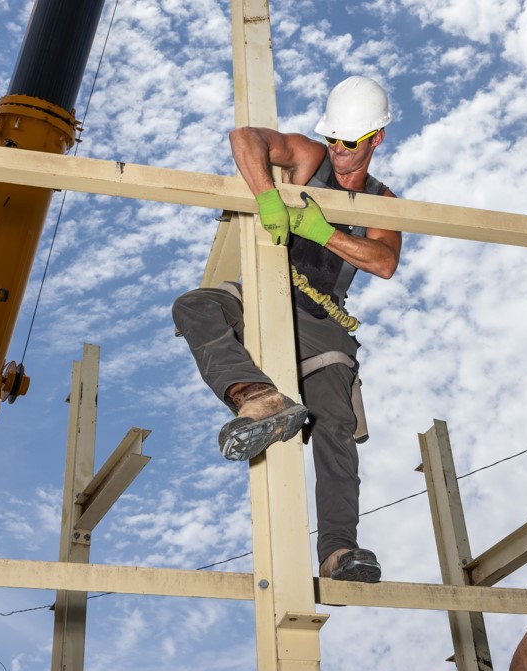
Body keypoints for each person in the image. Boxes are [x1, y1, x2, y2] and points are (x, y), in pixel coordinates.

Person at [171, 76, 401, 583]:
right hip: (263, 291)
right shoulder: (310, 158)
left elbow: (384, 261)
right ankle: (257, 398)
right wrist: (268, 197)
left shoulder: (381, 200)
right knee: (195, 306)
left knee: (335, 426)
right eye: (334, 137)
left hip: (321, 317)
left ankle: (339, 552)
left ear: (376, 138)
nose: (339, 150)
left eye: (351, 142)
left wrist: (323, 231)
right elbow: (244, 138)